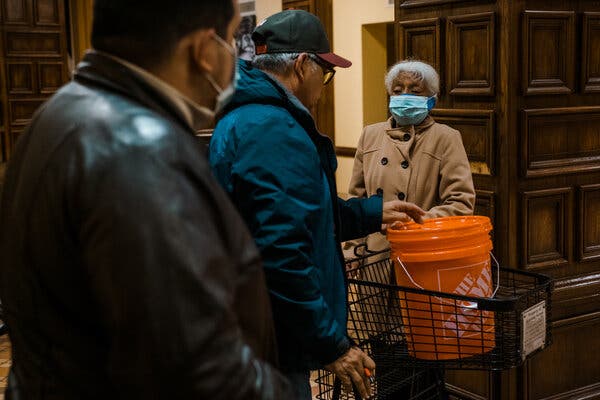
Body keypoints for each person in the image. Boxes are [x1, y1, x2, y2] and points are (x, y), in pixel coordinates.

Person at [0, 1, 293, 399]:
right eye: (229, 39)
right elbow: (194, 367)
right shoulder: (141, 150)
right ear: (203, 50)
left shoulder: (56, 113)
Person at [209, 10, 426, 400]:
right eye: (325, 73)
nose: (323, 86)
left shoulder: (247, 117)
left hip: (257, 328)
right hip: (274, 340)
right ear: (302, 63)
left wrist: (372, 213)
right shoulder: (273, 129)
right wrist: (332, 345)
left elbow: (305, 214)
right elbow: (282, 253)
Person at [348, 59, 475, 253]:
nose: (405, 96)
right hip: (375, 256)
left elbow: (461, 202)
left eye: (415, 91)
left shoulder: (446, 137)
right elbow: (356, 199)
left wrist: (411, 222)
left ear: (432, 100)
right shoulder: (370, 134)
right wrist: (351, 251)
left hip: (422, 249)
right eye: (398, 91)